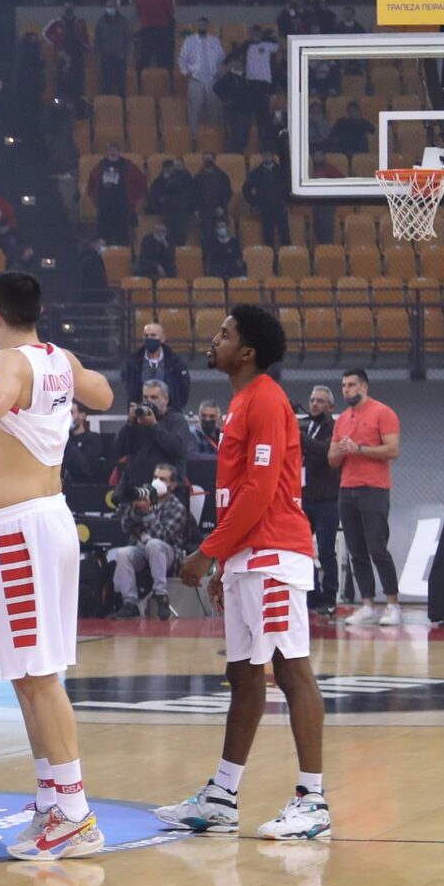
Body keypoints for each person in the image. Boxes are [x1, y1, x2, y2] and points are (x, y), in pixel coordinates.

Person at [0, 271, 115, 860]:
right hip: (47, 518)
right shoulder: (58, 357)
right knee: (26, 673)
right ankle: (52, 795)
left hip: (23, 525)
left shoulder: (10, 363)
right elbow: (105, 396)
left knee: (39, 674)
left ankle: (74, 811)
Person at [156, 306, 331, 841]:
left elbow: (259, 490)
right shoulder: (241, 402)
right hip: (246, 557)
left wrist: (209, 551)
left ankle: (313, 801)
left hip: (275, 554)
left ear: (247, 352)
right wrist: (227, 560)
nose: (214, 340)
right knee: (243, 677)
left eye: (224, 335)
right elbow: (241, 495)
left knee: (291, 671)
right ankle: (222, 797)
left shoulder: (268, 401)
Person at [331, 369, 402, 626]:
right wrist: (341, 450)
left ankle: (393, 605)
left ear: (364, 387)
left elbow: (393, 450)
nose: (346, 390)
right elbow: (332, 459)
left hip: (374, 488)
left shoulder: (383, 413)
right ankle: (368, 605)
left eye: (351, 385)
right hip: (347, 489)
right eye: (343, 385)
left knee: (377, 548)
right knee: (356, 551)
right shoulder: (342, 420)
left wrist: (359, 449)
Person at [107, 476, 185, 620]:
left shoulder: (176, 507)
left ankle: (161, 595)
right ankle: (130, 604)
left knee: (153, 544)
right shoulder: (140, 504)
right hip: (142, 549)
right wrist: (135, 509)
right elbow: (125, 527)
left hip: (168, 552)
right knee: (123, 553)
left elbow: (165, 537)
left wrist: (149, 515)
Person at [299, 385, 341, 614]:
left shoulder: (333, 428)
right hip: (306, 497)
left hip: (327, 499)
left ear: (330, 406)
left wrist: (300, 437)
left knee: (326, 550)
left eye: (320, 401)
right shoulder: (306, 425)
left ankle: (329, 597)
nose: (314, 404)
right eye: (313, 400)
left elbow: (325, 451)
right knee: (302, 549)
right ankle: (310, 592)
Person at [121, 321, 191, 410]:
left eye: (153, 335)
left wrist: (175, 407)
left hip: (169, 413)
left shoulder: (176, 363)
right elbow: (129, 386)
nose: (149, 338)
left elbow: (184, 388)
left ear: (162, 338)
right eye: (146, 336)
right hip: (141, 413)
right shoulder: (132, 363)